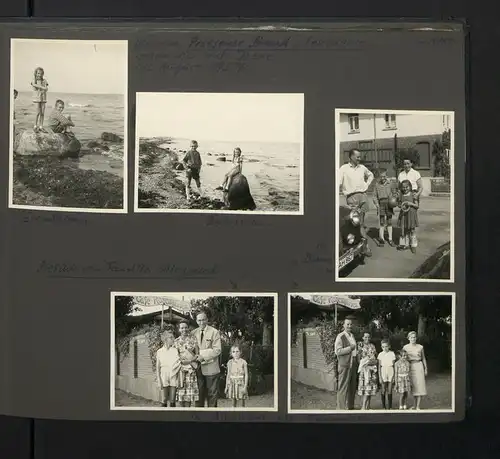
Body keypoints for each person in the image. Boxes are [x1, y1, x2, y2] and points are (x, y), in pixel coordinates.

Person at [338, 149, 374, 257]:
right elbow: (338, 182)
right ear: (351, 157)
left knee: (361, 223)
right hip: (351, 197)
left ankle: (363, 246)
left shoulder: (362, 168)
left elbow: (371, 175)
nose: (359, 158)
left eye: (360, 157)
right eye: (357, 156)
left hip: (362, 196)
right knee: (353, 223)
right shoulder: (343, 168)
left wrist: (366, 185)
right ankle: (356, 246)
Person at [192, 312, 222, 407]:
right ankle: (199, 417)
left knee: (212, 394)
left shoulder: (214, 332)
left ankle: (212, 417)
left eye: (203, 319)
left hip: (211, 368)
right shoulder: (193, 333)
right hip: (197, 368)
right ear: (196, 321)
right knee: (198, 394)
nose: (202, 322)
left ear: (207, 320)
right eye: (199, 320)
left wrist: (202, 356)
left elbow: (217, 350)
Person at [334, 318, 358, 410]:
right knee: (343, 387)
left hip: (353, 363)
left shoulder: (352, 336)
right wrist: (350, 348)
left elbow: (355, 350)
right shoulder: (340, 336)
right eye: (347, 324)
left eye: (351, 324)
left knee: (352, 387)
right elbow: (338, 351)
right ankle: (340, 408)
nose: (349, 326)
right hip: (344, 365)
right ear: (343, 325)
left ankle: (350, 407)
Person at [174, 320, 200, 407]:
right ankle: (181, 414)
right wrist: (181, 361)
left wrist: (190, 361)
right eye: (182, 328)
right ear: (179, 330)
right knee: (181, 393)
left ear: (188, 328)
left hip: (190, 369)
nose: (184, 329)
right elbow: (175, 357)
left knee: (189, 394)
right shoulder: (176, 341)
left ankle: (188, 412)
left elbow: (197, 354)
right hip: (180, 370)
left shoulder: (193, 339)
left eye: (185, 327)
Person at [402, 331, 428, 410]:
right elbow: (402, 358)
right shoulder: (405, 347)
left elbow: (423, 358)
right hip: (409, 367)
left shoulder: (420, 347)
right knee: (413, 386)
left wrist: (425, 368)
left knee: (419, 385)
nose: (413, 338)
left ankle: (418, 406)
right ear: (408, 338)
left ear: (416, 338)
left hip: (418, 366)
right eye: (411, 337)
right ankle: (414, 405)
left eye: (414, 337)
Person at [156, 330, 181, 408]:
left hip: (173, 375)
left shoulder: (175, 350)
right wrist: (159, 380)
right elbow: (158, 367)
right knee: (164, 399)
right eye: (171, 337)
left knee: (173, 400)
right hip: (164, 375)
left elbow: (178, 365)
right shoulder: (159, 351)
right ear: (165, 339)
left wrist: (177, 378)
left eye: (173, 337)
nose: (173, 339)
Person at [373, 168, 396, 247]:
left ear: (386, 176)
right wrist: (376, 204)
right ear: (378, 177)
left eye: (384, 176)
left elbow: (394, 193)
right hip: (381, 203)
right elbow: (374, 196)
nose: (383, 178)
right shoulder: (377, 184)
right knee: (382, 222)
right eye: (381, 177)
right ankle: (381, 238)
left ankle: (390, 238)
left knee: (389, 222)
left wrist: (394, 199)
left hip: (389, 203)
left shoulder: (390, 183)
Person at [397, 179, 419, 253]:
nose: (405, 188)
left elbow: (417, 205)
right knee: (404, 230)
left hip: (411, 214)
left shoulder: (413, 195)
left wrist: (410, 204)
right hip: (404, 215)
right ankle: (404, 244)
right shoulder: (401, 195)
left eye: (407, 187)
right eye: (403, 187)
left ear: (410, 187)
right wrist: (400, 205)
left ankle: (413, 245)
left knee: (412, 230)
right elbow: (399, 204)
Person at [357, 345, 379, 410]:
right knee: (367, 390)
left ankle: (368, 406)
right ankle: (363, 407)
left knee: (370, 390)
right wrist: (368, 363)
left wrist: (371, 362)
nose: (371, 353)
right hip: (365, 375)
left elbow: (375, 362)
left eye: (372, 352)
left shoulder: (372, 357)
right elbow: (362, 364)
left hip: (371, 374)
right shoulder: (363, 359)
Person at [378, 339, 396, 410]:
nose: (385, 348)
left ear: (389, 346)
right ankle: (383, 406)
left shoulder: (392, 353)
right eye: (383, 347)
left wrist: (394, 376)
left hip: (390, 371)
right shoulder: (380, 354)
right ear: (381, 347)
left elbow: (394, 366)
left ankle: (390, 406)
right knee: (383, 389)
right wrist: (379, 377)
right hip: (383, 371)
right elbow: (379, 367)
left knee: (389, 389)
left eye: (386, 346)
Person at [31, 67, 49, 132]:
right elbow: (34, 85)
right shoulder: (34, 80)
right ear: (36, 73)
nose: (39, 75)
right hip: (37, 99)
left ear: (43, 74)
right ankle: (35, 126)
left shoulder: (44, 81)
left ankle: (41, 126)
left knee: (42, 113)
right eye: (38, 73)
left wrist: (44, 88)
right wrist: (43, 88)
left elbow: (46, 88)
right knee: (37, 113)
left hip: (43, 98)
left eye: (41, 73)